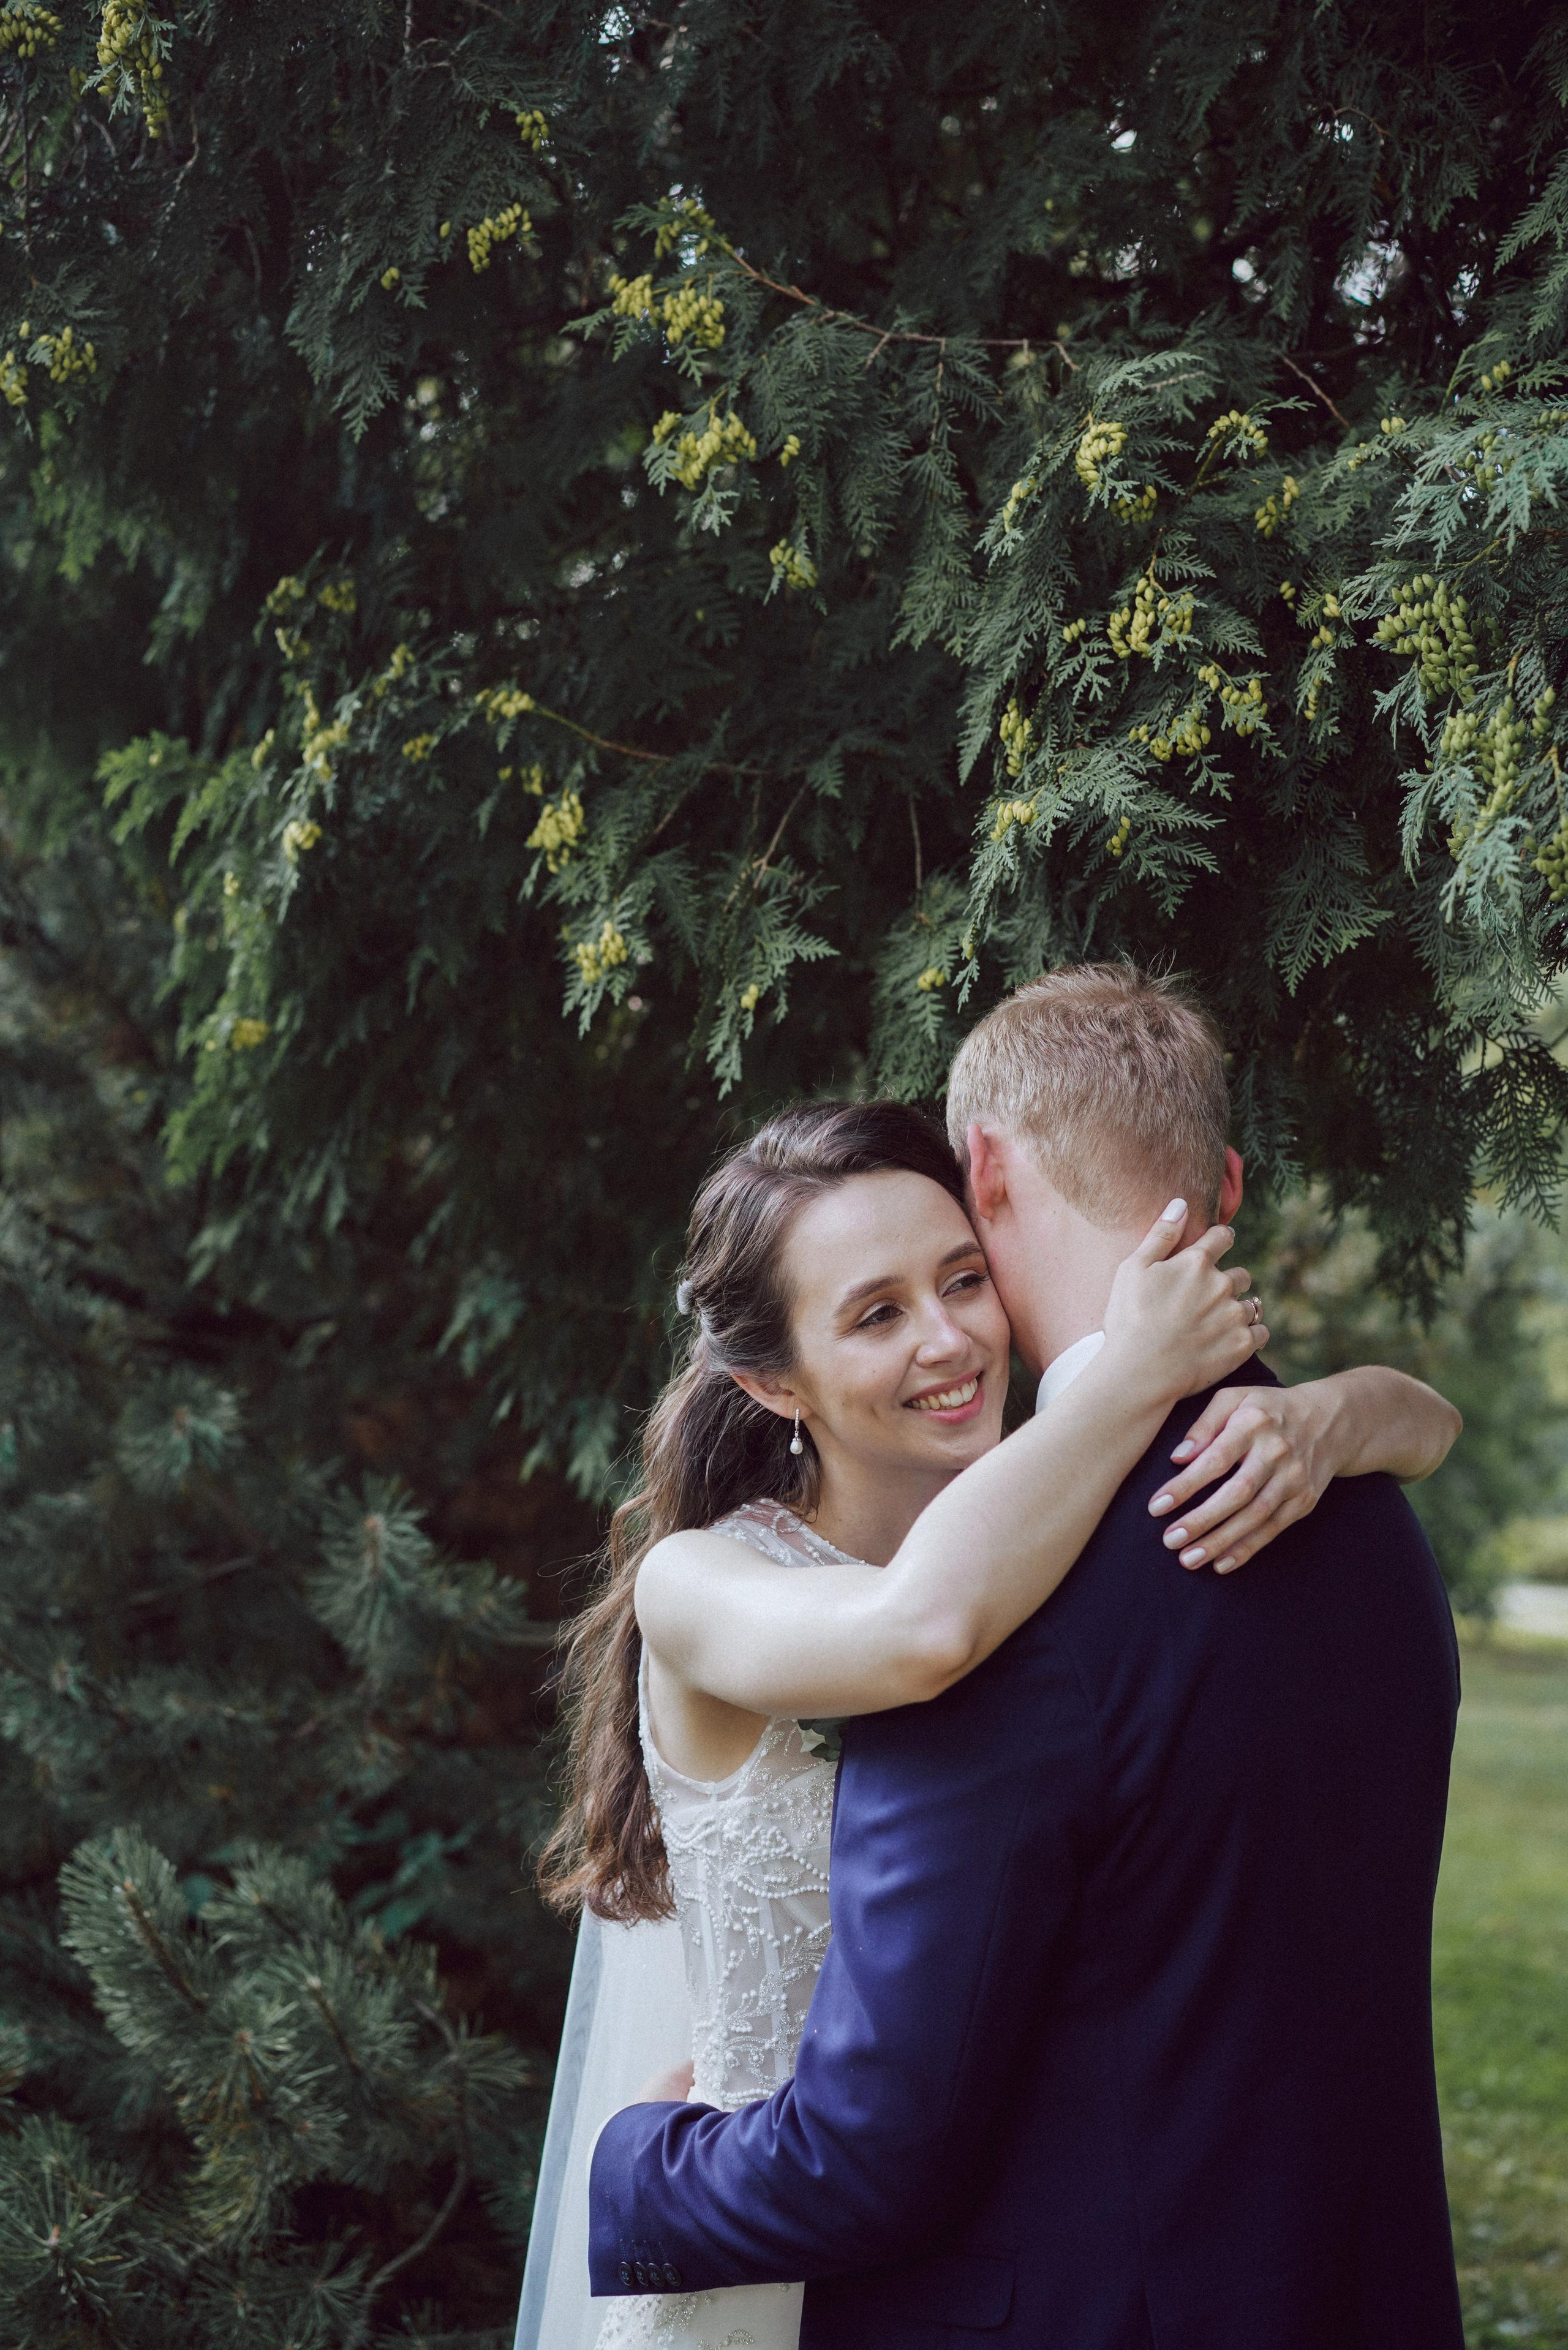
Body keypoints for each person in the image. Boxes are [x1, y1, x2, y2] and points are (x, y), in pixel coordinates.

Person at [522, 968, 1461, 2350]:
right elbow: (916, 1625)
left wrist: (635, 2159)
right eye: (873, 1311)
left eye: (958, 1275)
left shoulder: (1055, 1591)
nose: (949, 1335)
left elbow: (886, 2140)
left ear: (986, 1175)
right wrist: (1319, 1404)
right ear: (771, 1380)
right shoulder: (1368, 1527)